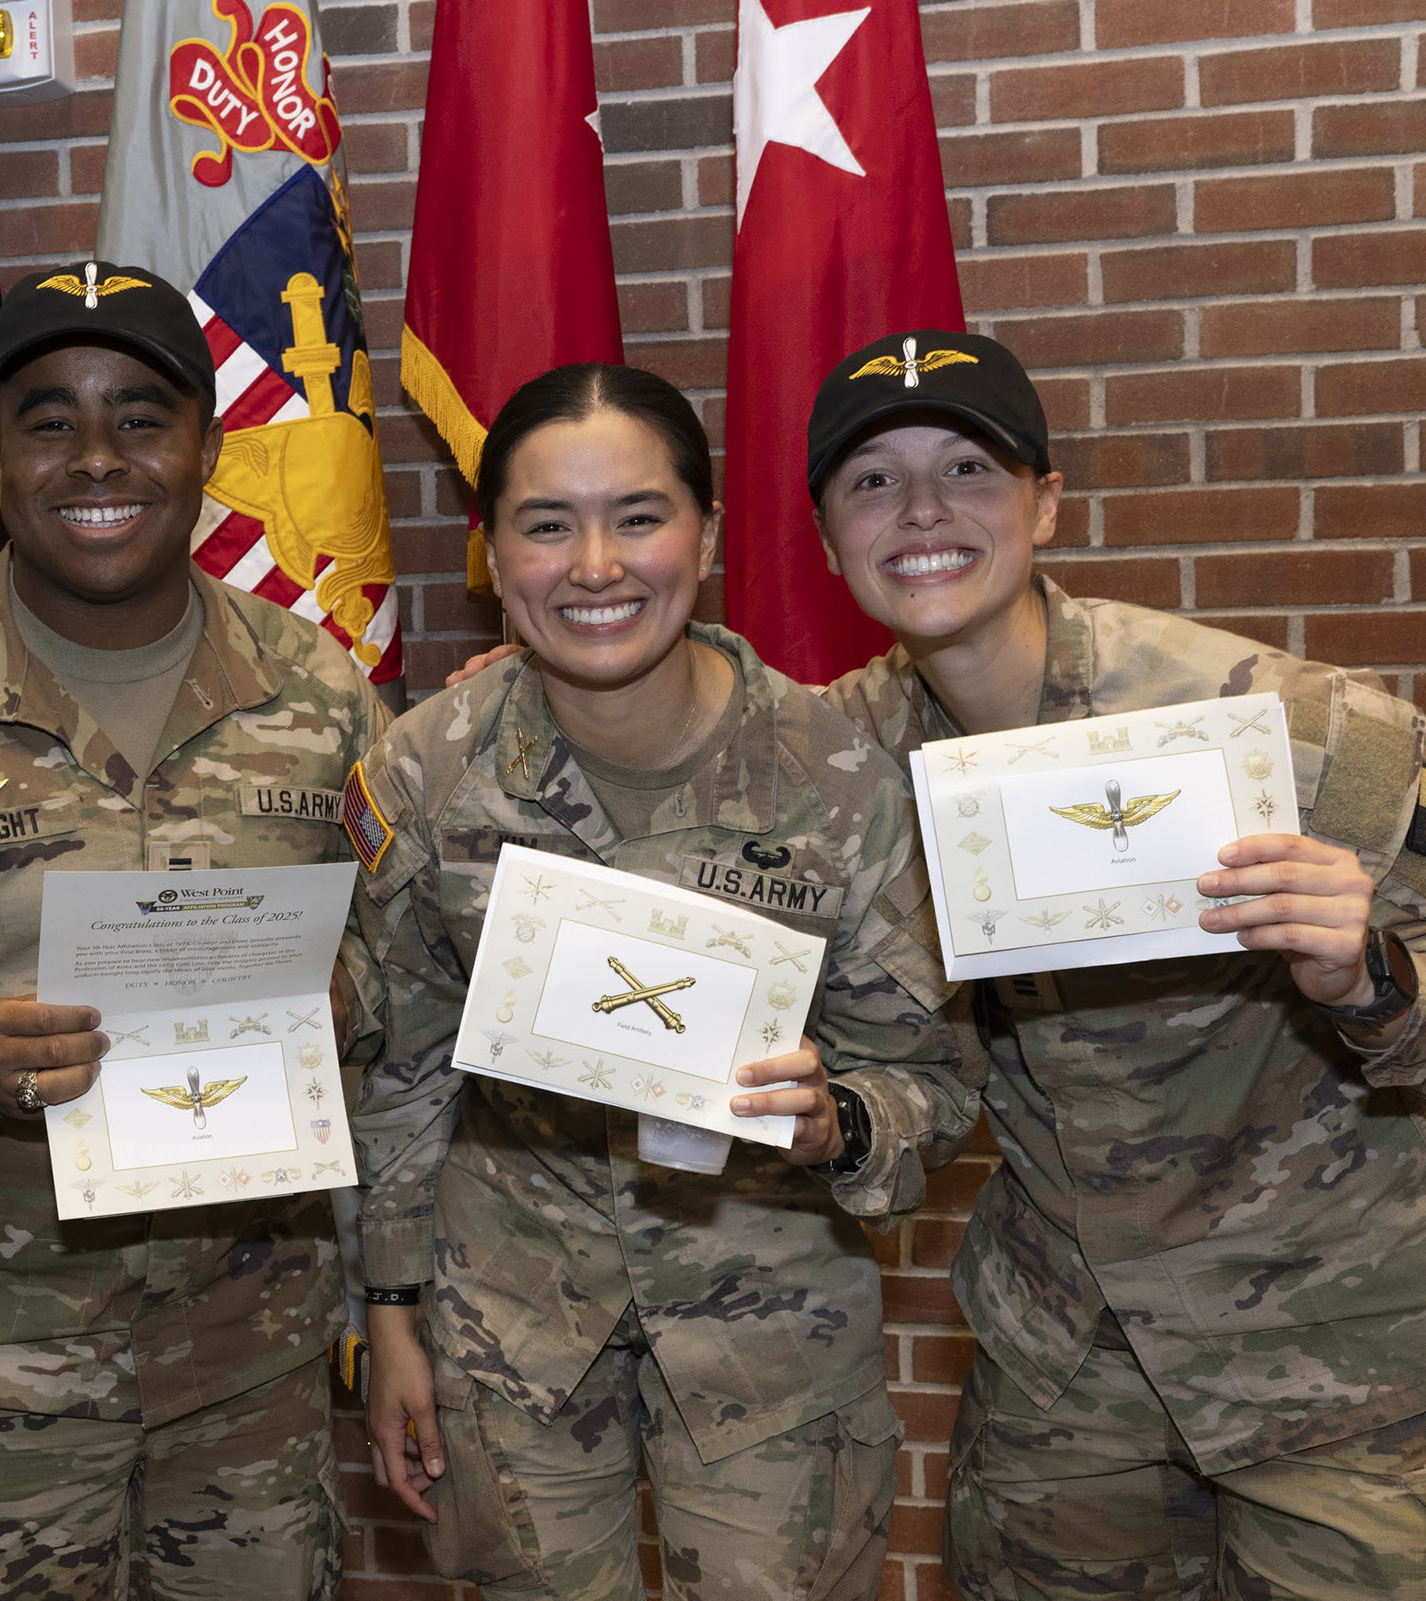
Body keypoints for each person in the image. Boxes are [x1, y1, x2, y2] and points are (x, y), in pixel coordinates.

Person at [807, 329, 1426, 1598]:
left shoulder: (1281, 724)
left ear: (1046, 503)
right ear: (826, 536)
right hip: (1073, 1382)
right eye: (872, 480)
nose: (921, 511)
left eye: (968, 467)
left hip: (1350, 1360)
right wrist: (523, 687)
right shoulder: (830, 765)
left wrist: (1376, 979)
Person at [0, 259, 387, 1601]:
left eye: (140, 417)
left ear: (205, 446)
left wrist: (344, 998)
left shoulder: (321, 696)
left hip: (249, 1370)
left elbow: (411, 974)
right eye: (49, 421)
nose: (98, 456)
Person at [347, 362, 984, 1600]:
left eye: (638, 516)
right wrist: (387, 1311)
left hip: (771, 1339)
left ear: (707, 535)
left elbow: (933, 1077)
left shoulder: (840, 780)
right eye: (547, 524)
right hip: (513, 1330)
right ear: (493, 554)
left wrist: (841, 1120)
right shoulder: (427, 771)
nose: (595, 565)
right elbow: (398, 1071)